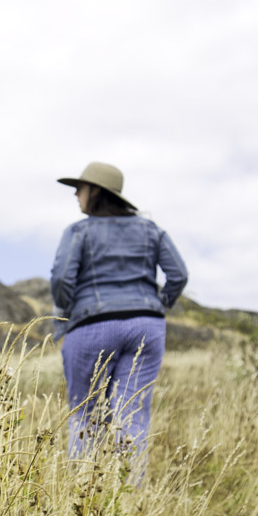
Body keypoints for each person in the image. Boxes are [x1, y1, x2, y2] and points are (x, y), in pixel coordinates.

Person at [50, 162, 187, 481]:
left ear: (95, 192)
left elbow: (61, 278)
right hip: (147, 326)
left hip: (92, 326)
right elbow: (179, 275)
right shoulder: (151, 229)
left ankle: (82, 500)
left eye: (80, 188)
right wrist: (157, 304)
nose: (75, 193)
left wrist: (73, 311)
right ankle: (126, 503)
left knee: (84, 414)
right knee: (133, 416)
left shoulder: (78, 232)